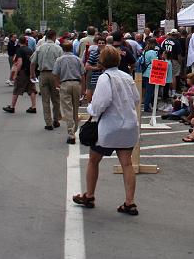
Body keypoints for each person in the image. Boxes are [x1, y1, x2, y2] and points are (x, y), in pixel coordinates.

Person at [72, 45, 140, 215]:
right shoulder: (126, 77)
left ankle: (89, 195)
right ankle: (130, 202)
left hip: (110, 127)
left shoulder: (105, 78)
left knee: (94, 160)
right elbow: (136, 99)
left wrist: (91, 110)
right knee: (127, 163)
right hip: (129, 125)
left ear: (102, 61)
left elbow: (101, 103)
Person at [30, 29, 64, 131]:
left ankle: (48, 122)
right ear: (54, 37)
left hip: (43, 74)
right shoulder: (58, 48)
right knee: (56, 99)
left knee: (45, 100)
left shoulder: (40, 48)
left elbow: (32, 62)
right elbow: (62, 63)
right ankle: (56, 119)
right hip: (54, 75)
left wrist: (32, 74)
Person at [53, 40, 85, 145]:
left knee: (67, 109)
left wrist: (57, 84)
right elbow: (82, 74)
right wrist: (83, 88)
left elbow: (56, 74)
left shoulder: (59, 60)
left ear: (63, 49)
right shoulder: (78, 59)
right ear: (72, 49)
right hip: (76, 84)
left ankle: (71, 133)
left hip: (65, 83)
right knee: (76, 108)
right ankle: (74, 129)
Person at [2, 36, 37, 114]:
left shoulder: (19, 50)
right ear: (26, 42)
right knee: (31, 89)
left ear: (19, 42)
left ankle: (12, 107)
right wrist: (33, 73)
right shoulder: (29, 50)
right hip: (29, 71)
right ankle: (33, 107)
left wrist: (16, 73)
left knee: (16, 89)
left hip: (23, 72)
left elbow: (20, 62)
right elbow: (33, 62)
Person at [83, 35, 107, 103]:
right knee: (96, 97)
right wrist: (97, 68)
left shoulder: (108, 53)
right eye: (99, 43)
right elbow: (87, 66)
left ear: (105, 44)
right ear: (97, 44)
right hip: (96, 78)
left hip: (106, 78)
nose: (101, 44)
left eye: (103, 43)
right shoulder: (94, 53)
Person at [161, 29, 183, 97]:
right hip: (174, 60)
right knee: (173, 76)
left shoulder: (165, 41)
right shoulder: (176, 42)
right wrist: (180, 63)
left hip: (166, 59)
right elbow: (179, 54)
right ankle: (173, 91)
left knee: (167, 75)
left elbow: (163, 50)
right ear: (176, 35)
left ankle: (169, 91)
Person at [140, 37, 159, 112]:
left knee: (148, 90)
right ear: (153, 44)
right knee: (150, 91)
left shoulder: (145, 52)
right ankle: (147, 106)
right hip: (151, 73)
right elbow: (155, 62)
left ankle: (149, 105)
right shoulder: (153, 52)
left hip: (145, 73)